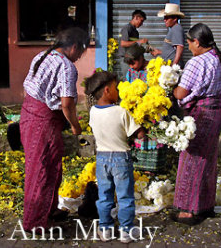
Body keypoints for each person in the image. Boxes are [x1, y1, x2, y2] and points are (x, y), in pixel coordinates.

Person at [20, 27, 89, 232]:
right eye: (80, 52)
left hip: (30, 115)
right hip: (43, 122)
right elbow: (67, 103)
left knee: (50, 167)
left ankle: (48, 210)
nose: (79, 57)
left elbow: (29, 88)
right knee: (41, 170)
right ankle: (34, 223)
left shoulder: (43, 55)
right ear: (74, 47)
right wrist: (76, 127)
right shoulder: (66, 66)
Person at [171, 23, 221, 225]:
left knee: (192, 160)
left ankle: (189, 210)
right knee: (208, 159)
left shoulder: (197, 62)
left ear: (196, 42)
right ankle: (205, 205)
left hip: (200, 115)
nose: (188, 47)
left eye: (189, 43)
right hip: (217, 113)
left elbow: (181, 93)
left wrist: (172, 89)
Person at [84, 71, 145, 243]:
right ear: (107, 90)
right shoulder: (121, 111)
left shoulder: (93, 112)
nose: (118, 91)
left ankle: (106, 229)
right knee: (125, 196)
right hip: (121, 159)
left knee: (104, 196)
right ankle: (126, 231)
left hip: (102, 158)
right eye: (116, 88)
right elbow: (138, 134)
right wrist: (143, 125)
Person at [151, 3, 185, 68]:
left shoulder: (177, 28)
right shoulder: (173, 29)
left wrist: (174, 66)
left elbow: (180, 47)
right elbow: (172, 50)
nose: (165, 20)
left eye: (167, 18)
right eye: (164, 18)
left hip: (172, 66)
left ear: (175, 19)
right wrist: (159, 52)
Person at [118, 10, 148, 78]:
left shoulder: (136, 32)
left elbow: (134, 46)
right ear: (136, 17)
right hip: (126, 59)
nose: (141, 24)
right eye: (141, 20)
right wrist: (139, 42)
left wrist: (145, 47)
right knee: (128, 79)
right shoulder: (127, 28)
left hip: (134, 59)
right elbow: (123, 43)